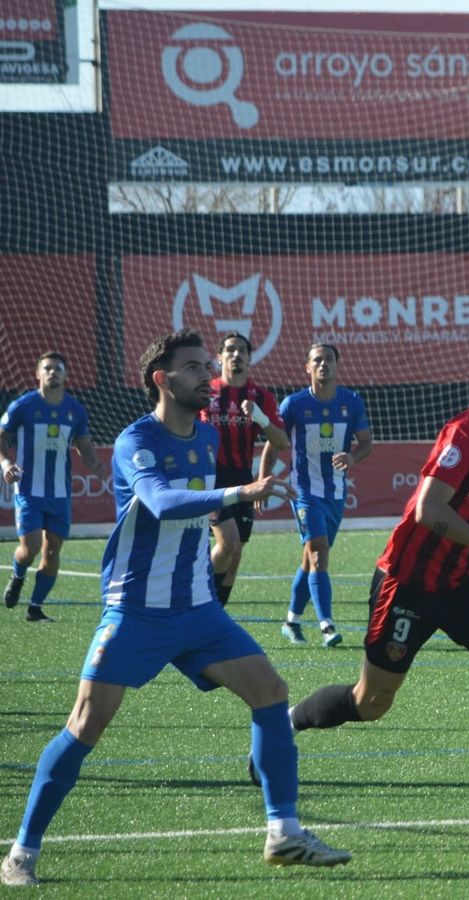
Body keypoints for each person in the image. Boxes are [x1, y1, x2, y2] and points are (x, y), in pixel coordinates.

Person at [0, 330, 349, 888]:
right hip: (136, 610)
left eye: (207, 365)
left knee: (270, 690)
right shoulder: (134, 440)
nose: (207, 375)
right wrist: (239, 495)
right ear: (162, 380)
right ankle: (21, 852)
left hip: (197, 609)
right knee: (84, 725)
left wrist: (228, 523)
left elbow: (207, 500)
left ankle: (283, 832)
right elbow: (161, 502)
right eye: (193, 367)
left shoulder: (207, 438)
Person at [285, 344, 469, 835]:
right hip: (407, 582)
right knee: (370, 703)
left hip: (462, 582)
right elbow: (430, 510)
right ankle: (285, 724)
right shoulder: (467, 431)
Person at [276, 344, 371, 647]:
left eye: (328, 359)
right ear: (307, 367)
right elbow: (273, 442)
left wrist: (353, 458)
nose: (323, 365)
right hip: (304, 492)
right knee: (319, 555)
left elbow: (367, 442)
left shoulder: (351, 401)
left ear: (336, 365)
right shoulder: (294, 404)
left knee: (310, 560)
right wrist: (265, 478)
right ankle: (327, 625)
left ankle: (291, 621)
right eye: (317, 360)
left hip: (336, 493)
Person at [1, 352, 107, 622]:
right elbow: (2, 437)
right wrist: (5, 465)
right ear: (38, 374)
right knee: (31, 548)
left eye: (58, 369)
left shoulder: (75, 410)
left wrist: (95, 464)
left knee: (53, 549)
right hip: (28, 490)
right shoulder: (22, 407)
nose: (52, 373)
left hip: (60, 493)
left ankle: (35, 608)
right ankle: (18, 575)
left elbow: (83, 444)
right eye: (47, 368)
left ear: (65, 375)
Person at [199, 332, 289, 608]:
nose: (236, 354)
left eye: (241, 350)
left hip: (242, 480)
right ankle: (201, 603)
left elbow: (281, 442)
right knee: (227, 544)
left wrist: (260, 417)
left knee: (235, 553)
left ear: (250, 358)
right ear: (219, 357)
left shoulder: (261, 396)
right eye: (230, 350)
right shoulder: (205, 390)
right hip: (211, 481)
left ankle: (216, 610)